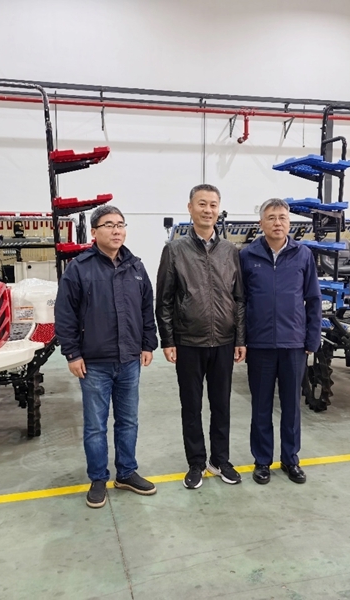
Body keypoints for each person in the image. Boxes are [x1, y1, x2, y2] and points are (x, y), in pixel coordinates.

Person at [55, 205, 158, 509]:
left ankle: (126, 473)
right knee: (95, 426)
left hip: (129, 360)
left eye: (120, 224)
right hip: (94, 363)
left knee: (128, 421)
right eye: (109, 225)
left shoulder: (136, 267)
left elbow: (146, 309)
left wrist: (148, 344)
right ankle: (98, 478)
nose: (116, 230)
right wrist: (72, 353)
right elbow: (65, 314)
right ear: (94, 232)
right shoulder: (79, 268)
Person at [156, 184, 246, 489]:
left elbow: (239, 298)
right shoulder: (175, 250)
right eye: (202, 204)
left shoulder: (230, 251)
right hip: (188, 342)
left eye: (213, 205)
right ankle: (196, 462)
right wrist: (168, 340)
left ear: (218, 210)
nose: (208, 210)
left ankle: (220, 460)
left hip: (224, 341)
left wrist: (240, 339)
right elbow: (164, 299)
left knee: (221, 405)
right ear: (190, 208)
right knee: (191, 406)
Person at [239, 198, 321, 485]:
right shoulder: (247, 256)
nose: (277, 223)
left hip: (293, 344)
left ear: (289, 223)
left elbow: (313, 299)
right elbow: (240, 301)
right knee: (261, 407)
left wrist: (312, 339)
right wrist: (241, 339)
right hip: (259, 345)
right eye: (271, 217)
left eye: (282, 217)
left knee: (291, 407)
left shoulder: (303, 255)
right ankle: (262, 461)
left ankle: (290, 459)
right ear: (261, 223)